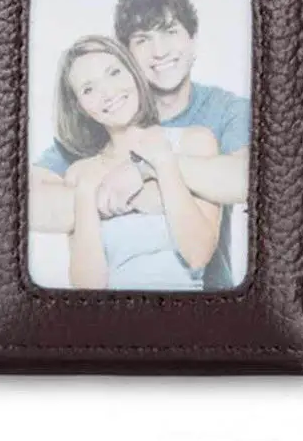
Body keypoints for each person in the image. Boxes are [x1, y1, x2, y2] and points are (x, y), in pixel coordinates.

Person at [30, 0, 250, 288]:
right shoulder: (83, 160)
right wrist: (98, 193)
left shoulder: (213, 121)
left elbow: (255, 179)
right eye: (143, 39)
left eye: (170, 31)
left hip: (209, 300)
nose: (159, 51)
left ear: (193, 40)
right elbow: (21, 203)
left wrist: (145, 170)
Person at [55, 35, 221, 290]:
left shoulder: (193, 142)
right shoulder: (80, 173)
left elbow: (198, 255)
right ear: (79, 107)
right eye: (89, 89)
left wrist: (161, 163)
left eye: (114, 73)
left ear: (133, 73)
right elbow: (87, 289)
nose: (108, 93)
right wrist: (87, 193)